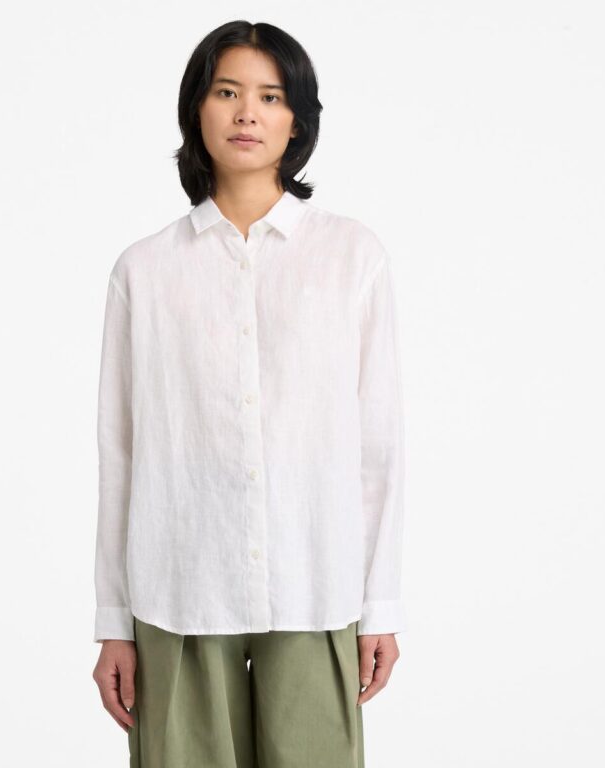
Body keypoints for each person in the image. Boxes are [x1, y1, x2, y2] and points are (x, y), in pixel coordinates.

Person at [91, 20, 407, 768]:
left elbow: (378, 445)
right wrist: (113, 621)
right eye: (227, 92)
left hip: (315, 581)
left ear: (297, 120)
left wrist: (380, 605)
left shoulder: (351, 256)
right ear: (196, 110)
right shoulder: (144, 270)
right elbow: (120, 455)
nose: (246, 113)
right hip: (179, 587)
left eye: (270, 96)